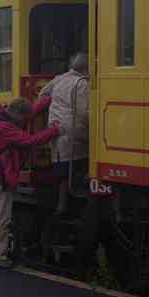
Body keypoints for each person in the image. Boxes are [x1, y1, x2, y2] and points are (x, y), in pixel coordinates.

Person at [0, 96, 60, 268]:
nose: (26, 121)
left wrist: (47, 99)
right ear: (17, 113)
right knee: (0, 218)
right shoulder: (5, 127)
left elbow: (29, 112)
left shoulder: (3, 117)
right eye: (24, 118)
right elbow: (29, 141)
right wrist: (54, 131)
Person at [40, 53, 90, 217]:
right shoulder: (81, 83)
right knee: (82, 161)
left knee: (62, 169)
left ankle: (61, 205)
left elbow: (42, 94)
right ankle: (75, 199)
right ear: (86, 68)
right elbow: (84, 112)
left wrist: (55, 110)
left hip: (55, 128)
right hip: (74, 131)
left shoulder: (59, 79)